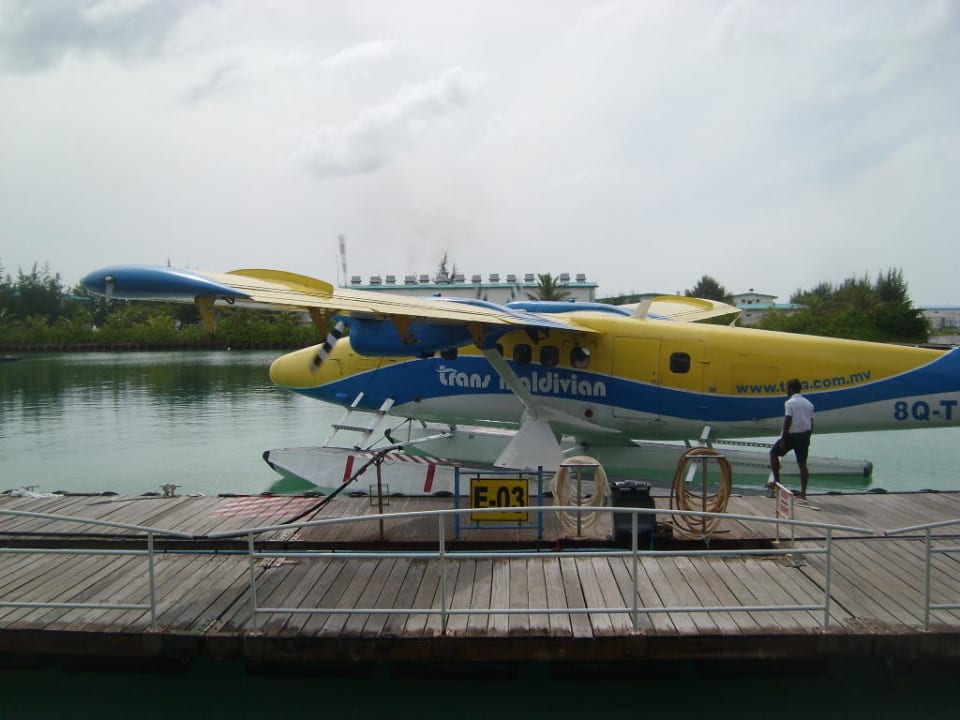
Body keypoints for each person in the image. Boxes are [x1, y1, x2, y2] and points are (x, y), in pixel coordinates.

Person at [767, 378, 815, 499]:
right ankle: (803, 493)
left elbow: (787, 421)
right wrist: (808, 437)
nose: (786, 391)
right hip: (804, 436)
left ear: (792, 389)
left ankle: (777, 482)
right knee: (802, 464)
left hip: (792, 436)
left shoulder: (790, 403)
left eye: (787, 389)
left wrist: (783, 440)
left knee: (773, 453)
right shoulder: (809, 404)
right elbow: (811, 422)